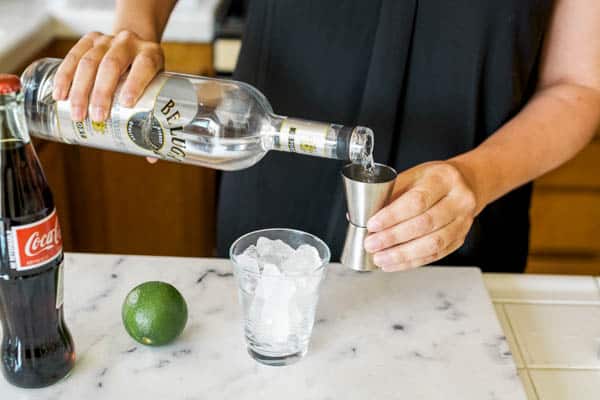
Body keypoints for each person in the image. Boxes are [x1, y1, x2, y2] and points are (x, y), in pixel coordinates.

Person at [52, 0, 600, 273]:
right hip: (269, 188)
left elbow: (579, 85)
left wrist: (476, 179)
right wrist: (136, 27)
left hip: (459, 221)